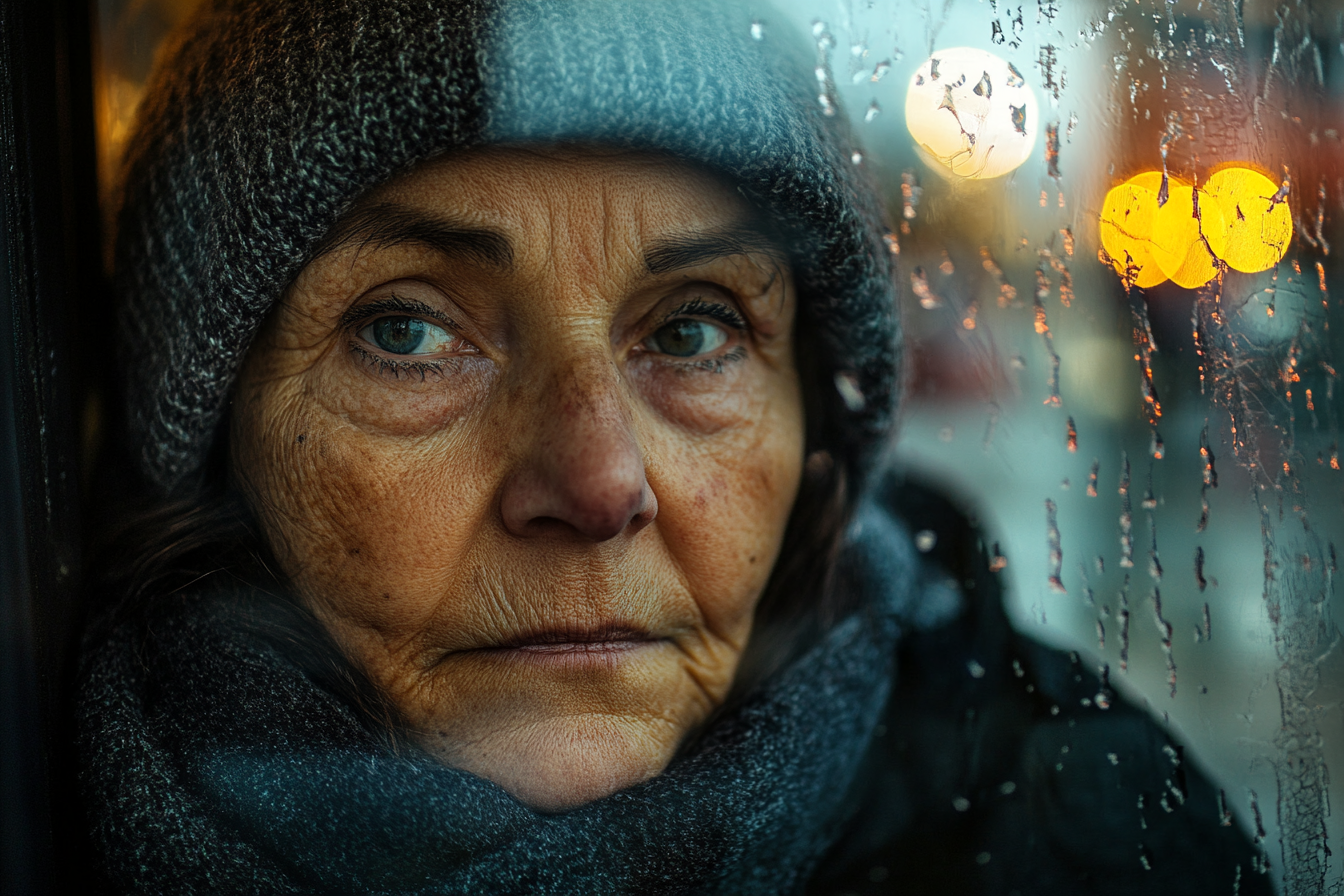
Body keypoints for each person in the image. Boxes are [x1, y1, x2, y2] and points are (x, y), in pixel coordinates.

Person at [77, 1, 1269, 893]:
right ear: (212, 436)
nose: (597, 482)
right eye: (406, 331)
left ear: (817, 434)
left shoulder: (1083, 828)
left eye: (694, 331)